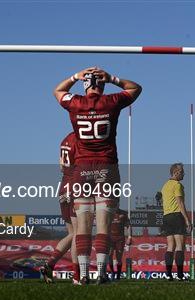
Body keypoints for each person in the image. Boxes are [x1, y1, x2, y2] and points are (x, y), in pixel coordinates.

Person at [54, 67, 142, 284]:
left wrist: (76, 76)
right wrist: (112, 78)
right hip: (107, 168)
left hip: (81, 170)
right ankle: (101, 273)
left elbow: (57, 90)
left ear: (84, 86)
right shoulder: (111, 101)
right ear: (102, 86)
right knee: (103, 224)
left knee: (82, 226)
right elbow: (136, 88)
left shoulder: (75, 103)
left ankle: (83, 274)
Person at [39, 132, 80, 284]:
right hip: (76, 187)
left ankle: (49, 264)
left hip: (63, 186)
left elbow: (61, 167)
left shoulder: (65, 140)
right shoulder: (82, 139)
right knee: (78, 234)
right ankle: (77, 276)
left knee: (71, 234)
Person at [161, 163, 192, 281]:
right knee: (180, 246)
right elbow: (180, 203)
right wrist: (187, 219)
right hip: (176, 215)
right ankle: (180, 275)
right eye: (182, 171)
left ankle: (168, 274)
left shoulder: (165, 185)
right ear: (176, 172)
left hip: (166, 216)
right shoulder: (177, 185)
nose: (184, 173)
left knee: (170, 246)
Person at [108, 208, 132, 280]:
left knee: (119, 257)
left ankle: (118, 275)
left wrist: (129, 237)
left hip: (120, 238)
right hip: (110, 237)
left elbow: (129, 226)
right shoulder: (108, 212)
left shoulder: (123, 213)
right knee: (109, 255)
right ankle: (112, 272)